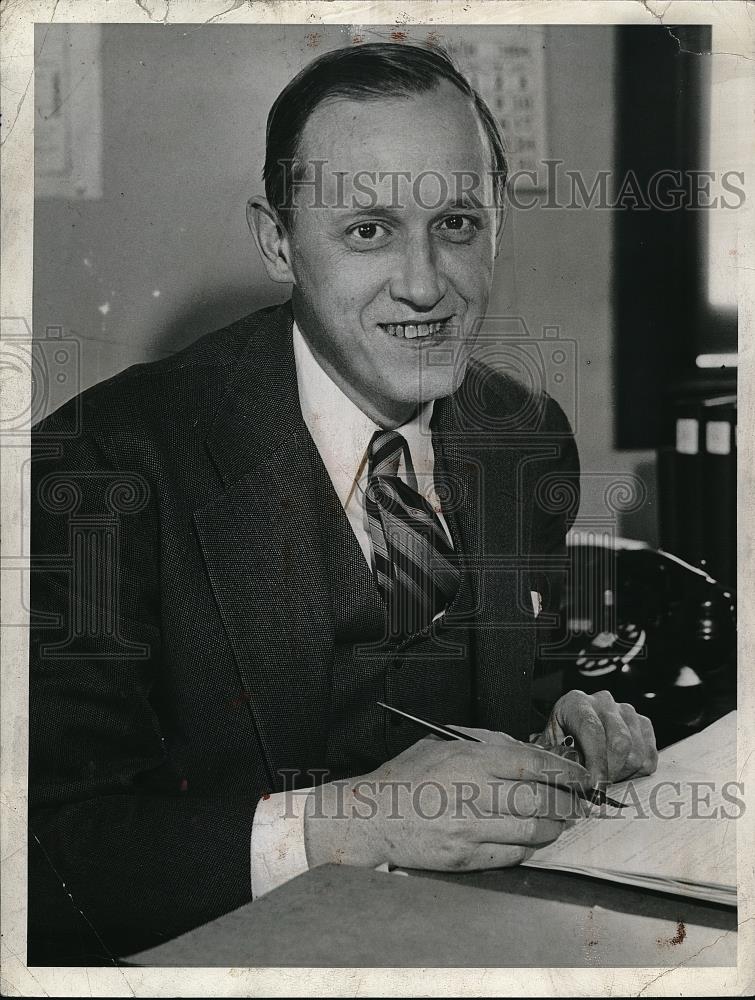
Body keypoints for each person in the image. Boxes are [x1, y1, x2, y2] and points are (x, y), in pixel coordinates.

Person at [28, 42, 657, 964]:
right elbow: (42, 855)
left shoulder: (519, 432)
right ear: (276, 239)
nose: (423, 283)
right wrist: (338, 825)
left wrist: (557, 718)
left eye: (456, 223)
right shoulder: (103, 466)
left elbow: (497, 679)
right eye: (367, 230)